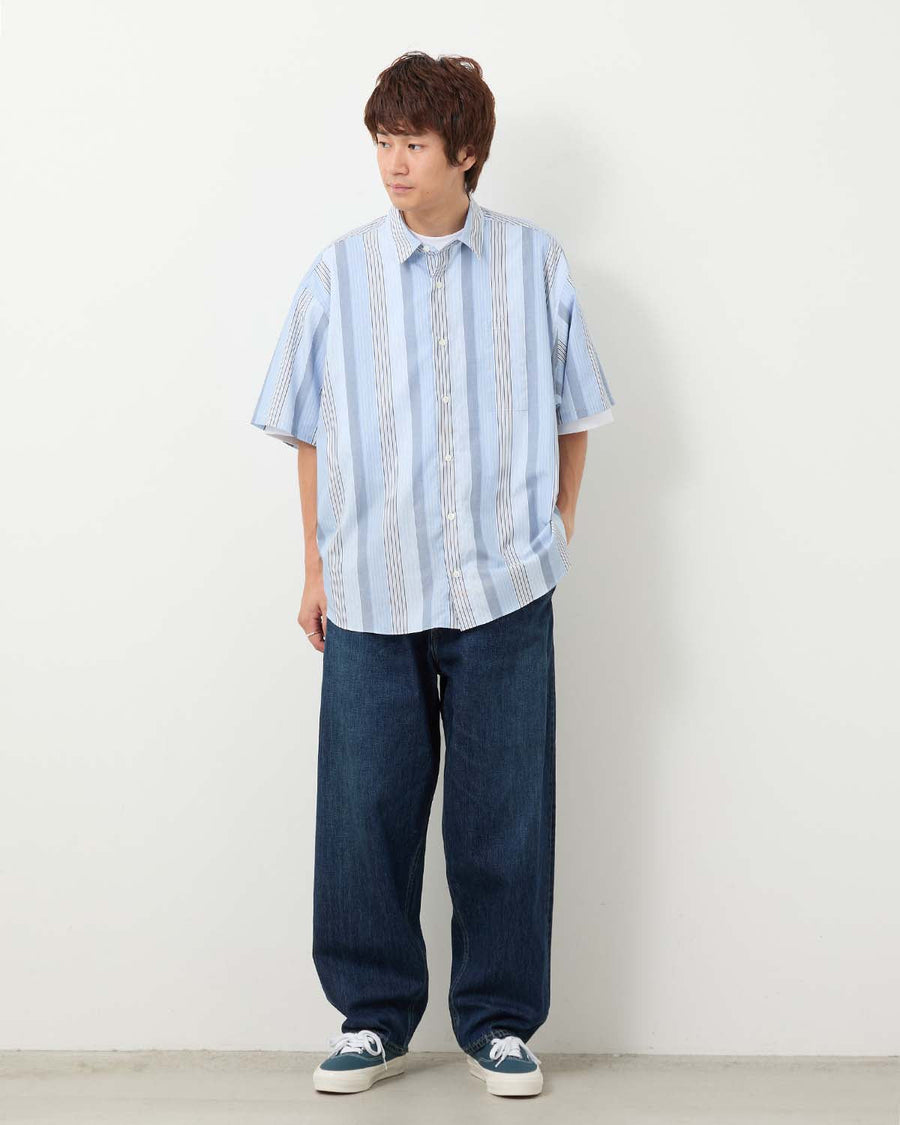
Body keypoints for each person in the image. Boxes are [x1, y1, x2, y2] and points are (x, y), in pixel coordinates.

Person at [250, 50, 615, 1098]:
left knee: (504, 815)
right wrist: (316, 565)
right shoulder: (339, 274)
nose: (392, 163)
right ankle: (372, 1017)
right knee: (364, 813)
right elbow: (307, 426)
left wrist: (555, 534)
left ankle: (499, 1022)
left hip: (504, 587)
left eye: (412, 143)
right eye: (382, 142)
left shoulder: (534, 265)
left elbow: (574, 411)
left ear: (466, 152)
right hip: (370, 587)